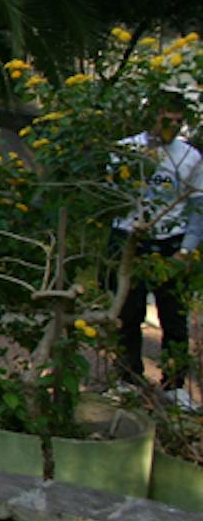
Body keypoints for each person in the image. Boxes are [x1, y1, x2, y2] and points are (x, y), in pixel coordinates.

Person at [110, 92, 203, 405]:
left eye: (179, 121)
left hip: (170, 242)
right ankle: (127, 377)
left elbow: (198, 207)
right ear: (153, 115)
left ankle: (175, 385)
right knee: (128, 313)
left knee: (174, 317)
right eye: (167, 118)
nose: (173, 126)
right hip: (129, 239)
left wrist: (186, 251)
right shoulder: (127, 150)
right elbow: (109, 197)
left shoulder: (190, 158)